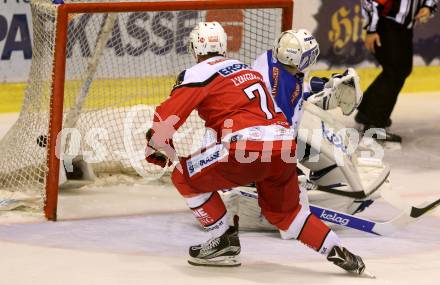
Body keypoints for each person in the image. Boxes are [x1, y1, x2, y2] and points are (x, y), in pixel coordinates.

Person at [145, 22, 368, 275]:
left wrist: (157, 145)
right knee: (287, 214)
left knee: (183, 176)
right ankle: (340, 252)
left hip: (244, 147)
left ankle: (223, 240)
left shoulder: (197, 73)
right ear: (223, 46)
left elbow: (168, 116)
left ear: (195, 48)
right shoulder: (247, 70)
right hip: (284, 148)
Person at [357, 0, 438, 142]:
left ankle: (367, 112)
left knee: (401, 69)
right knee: (395, 70)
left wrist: (427, 7)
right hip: (387, 23)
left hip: (404, 26)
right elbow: (371, 2)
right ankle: (374, 123)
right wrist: (372, 29)